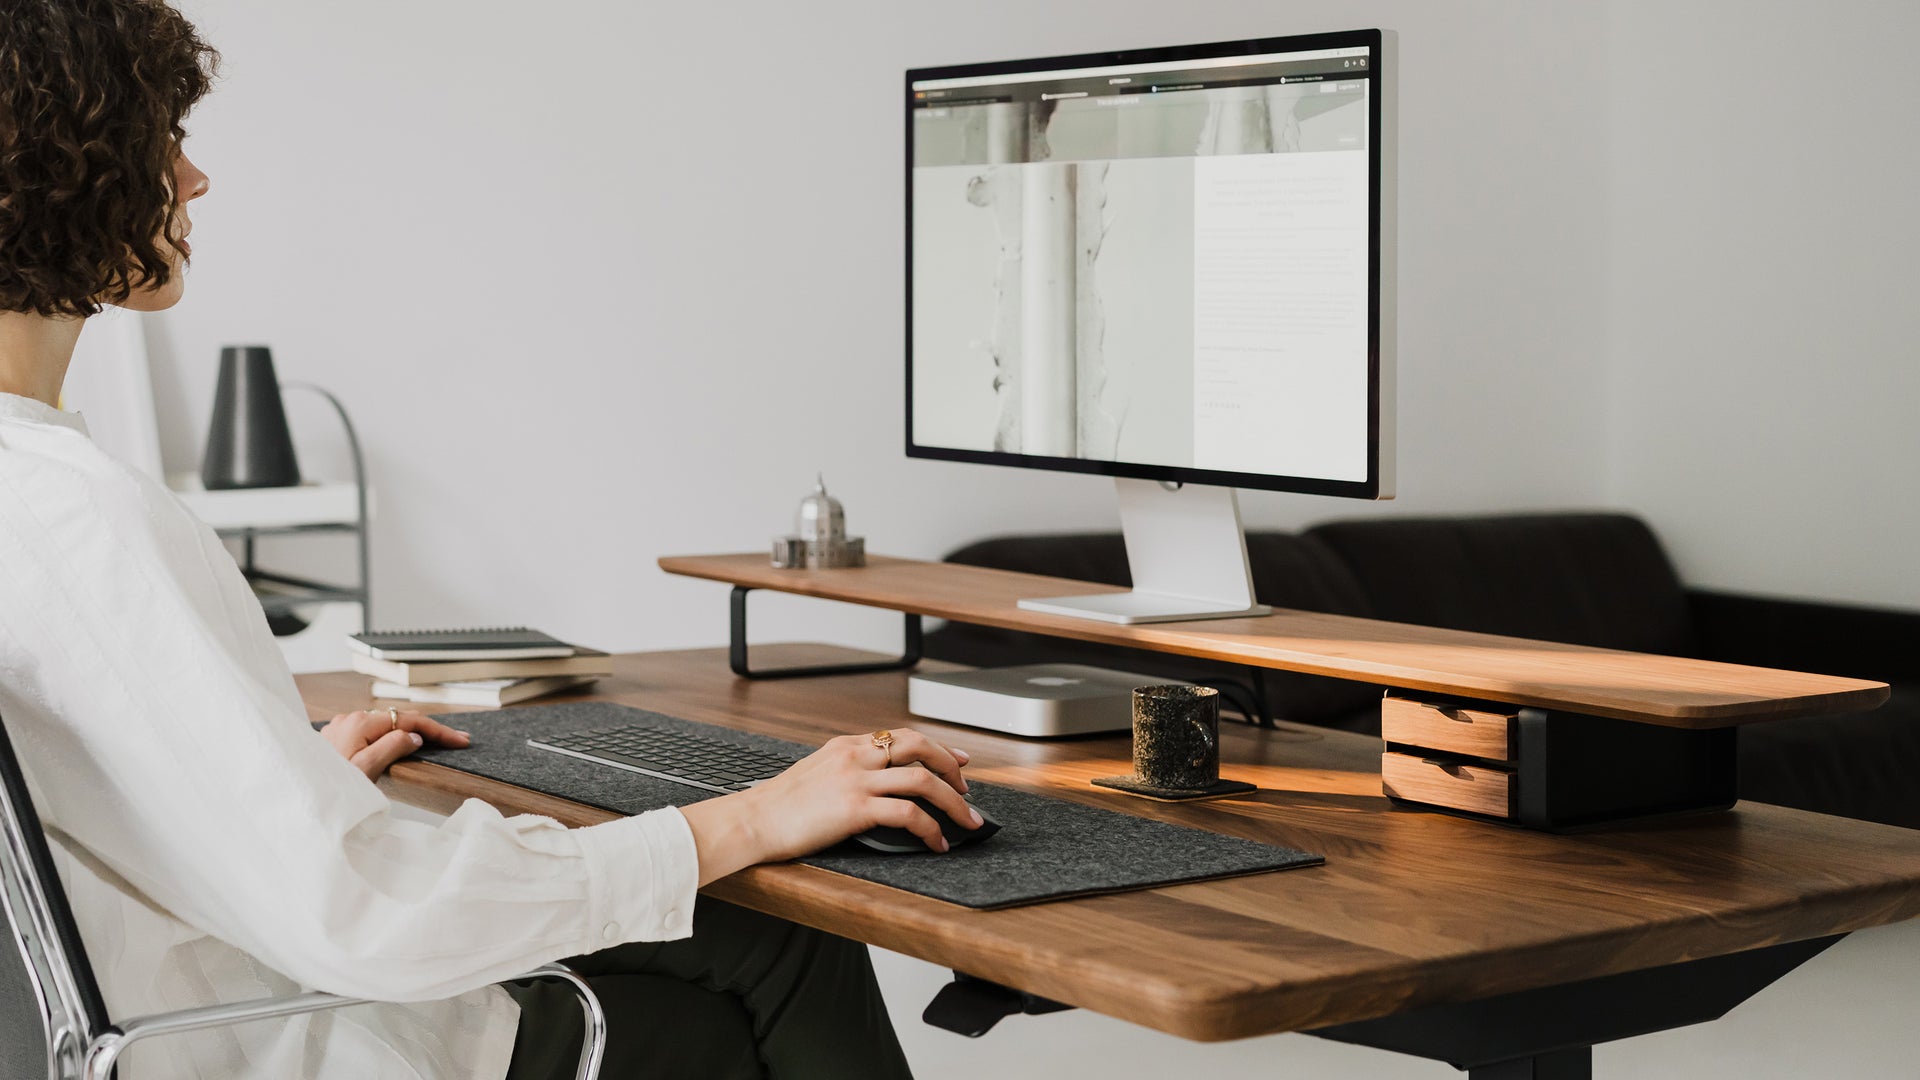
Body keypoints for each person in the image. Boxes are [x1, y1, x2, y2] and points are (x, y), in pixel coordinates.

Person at [0, 2, 975, 1076]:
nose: (193, 178)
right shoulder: (72, 514)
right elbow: (369, 915)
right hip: (295, 1034)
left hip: (227, 983)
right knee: (790, 942)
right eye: (159, 140)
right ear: (58, 169)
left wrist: (278, 788)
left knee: (743, 927)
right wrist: (758, 813)